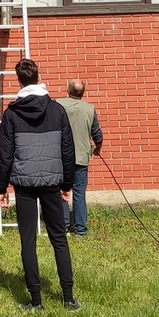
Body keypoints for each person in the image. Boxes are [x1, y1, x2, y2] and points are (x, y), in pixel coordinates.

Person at [0, 59, 79, 312]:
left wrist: (2, 188)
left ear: (19, 80)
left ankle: (36, 301)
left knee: (28, 241)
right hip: (52, 182)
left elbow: (4, 154)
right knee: (59, 239)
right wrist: (67, 183)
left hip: (24, 184)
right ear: (38, 77)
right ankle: (68, 298)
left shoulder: (11, 114)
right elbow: (68, 149)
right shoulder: (57, 110)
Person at [58, 79, 103, 237]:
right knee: (79, 194)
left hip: (61, 157)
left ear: (68, 90)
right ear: (83, 93)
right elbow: (97, 134)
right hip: (81, 157)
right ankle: (81, 230)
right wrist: (97, 149)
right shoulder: (89, 109)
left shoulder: (57, 105)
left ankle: (63, 226)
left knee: (62, 192)